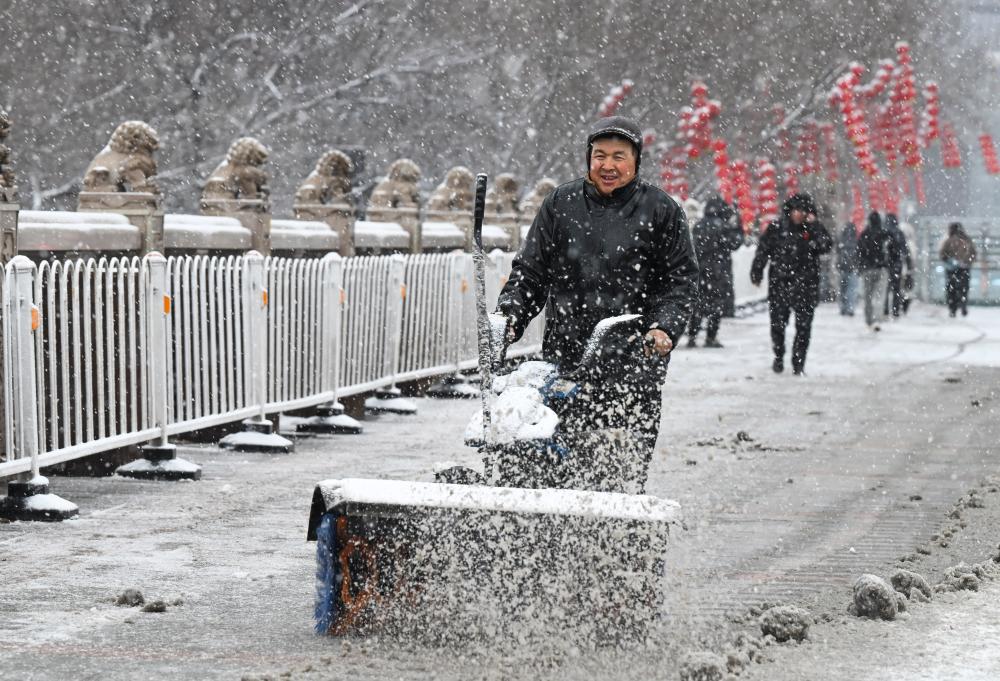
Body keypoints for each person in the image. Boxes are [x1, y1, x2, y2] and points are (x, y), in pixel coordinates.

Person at [495, 115, 698, 479]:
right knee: (551, 462)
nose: (608, 165)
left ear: (636, 160)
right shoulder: (561, 204)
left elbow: (679, 282)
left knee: (617, 469)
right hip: (566, 358)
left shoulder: (661, 210)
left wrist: (664, 328)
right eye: (600, 155)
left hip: (633, 365)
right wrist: (511, 314)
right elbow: (531, 272)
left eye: (619, 156)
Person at [750, 193, 833, 376]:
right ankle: (779, 354)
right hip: (780, 283)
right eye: (795, 210)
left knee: (804, 327)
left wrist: (814, 226)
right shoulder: (777, 228)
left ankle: (799, 362)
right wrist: (757, 271)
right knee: (778, 325)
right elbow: (763, 250)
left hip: (806, 285)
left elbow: (826, 245)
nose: (798, 214)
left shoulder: (813, 230)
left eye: (802, 211)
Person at [687, 196, 742, 348]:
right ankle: (711, 337)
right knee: (716, 305)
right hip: (719, 272)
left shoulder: (699, 225)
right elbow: (735, 243)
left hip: (700, 271)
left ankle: (692, 336)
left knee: (698, 305)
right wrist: (737, 226)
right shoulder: (723, 226)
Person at [855, 211, 890, 331]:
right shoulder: (885, 234)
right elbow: (892, 251)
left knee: (868, 296)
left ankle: (869, 320)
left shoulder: (864, 234)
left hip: (867, 269)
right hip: (882, 269)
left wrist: (860, 266)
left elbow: (859, 252)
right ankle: (876, 320)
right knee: (879, 296)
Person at [940, 222, 977, 317]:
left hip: (951, 270)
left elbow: (942, 254)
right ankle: (963, 304)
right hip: (965, 269)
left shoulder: (948, 241)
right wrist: (966, 262)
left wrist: (950, 260)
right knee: (964, 288)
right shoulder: (967, 240)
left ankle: (953, 308)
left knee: (951, 289)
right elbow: (973, 254)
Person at [883, 213, 913, 319]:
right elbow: (905, 250)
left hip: (886, 265)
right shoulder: (899, 233)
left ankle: (885, 310)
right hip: (897, 264)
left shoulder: (884, 232)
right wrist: (908, 265)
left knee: (885, 289)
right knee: (896, 289)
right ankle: (895, 310)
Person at [836, 221, 860, 316]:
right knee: (851, 289)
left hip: (842, 268)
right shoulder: (856, 241)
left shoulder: (841, 240)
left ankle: (843, 307)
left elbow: (838, 253)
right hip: (853, 268)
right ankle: (850, 308)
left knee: (842, 289)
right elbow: (859, 255)